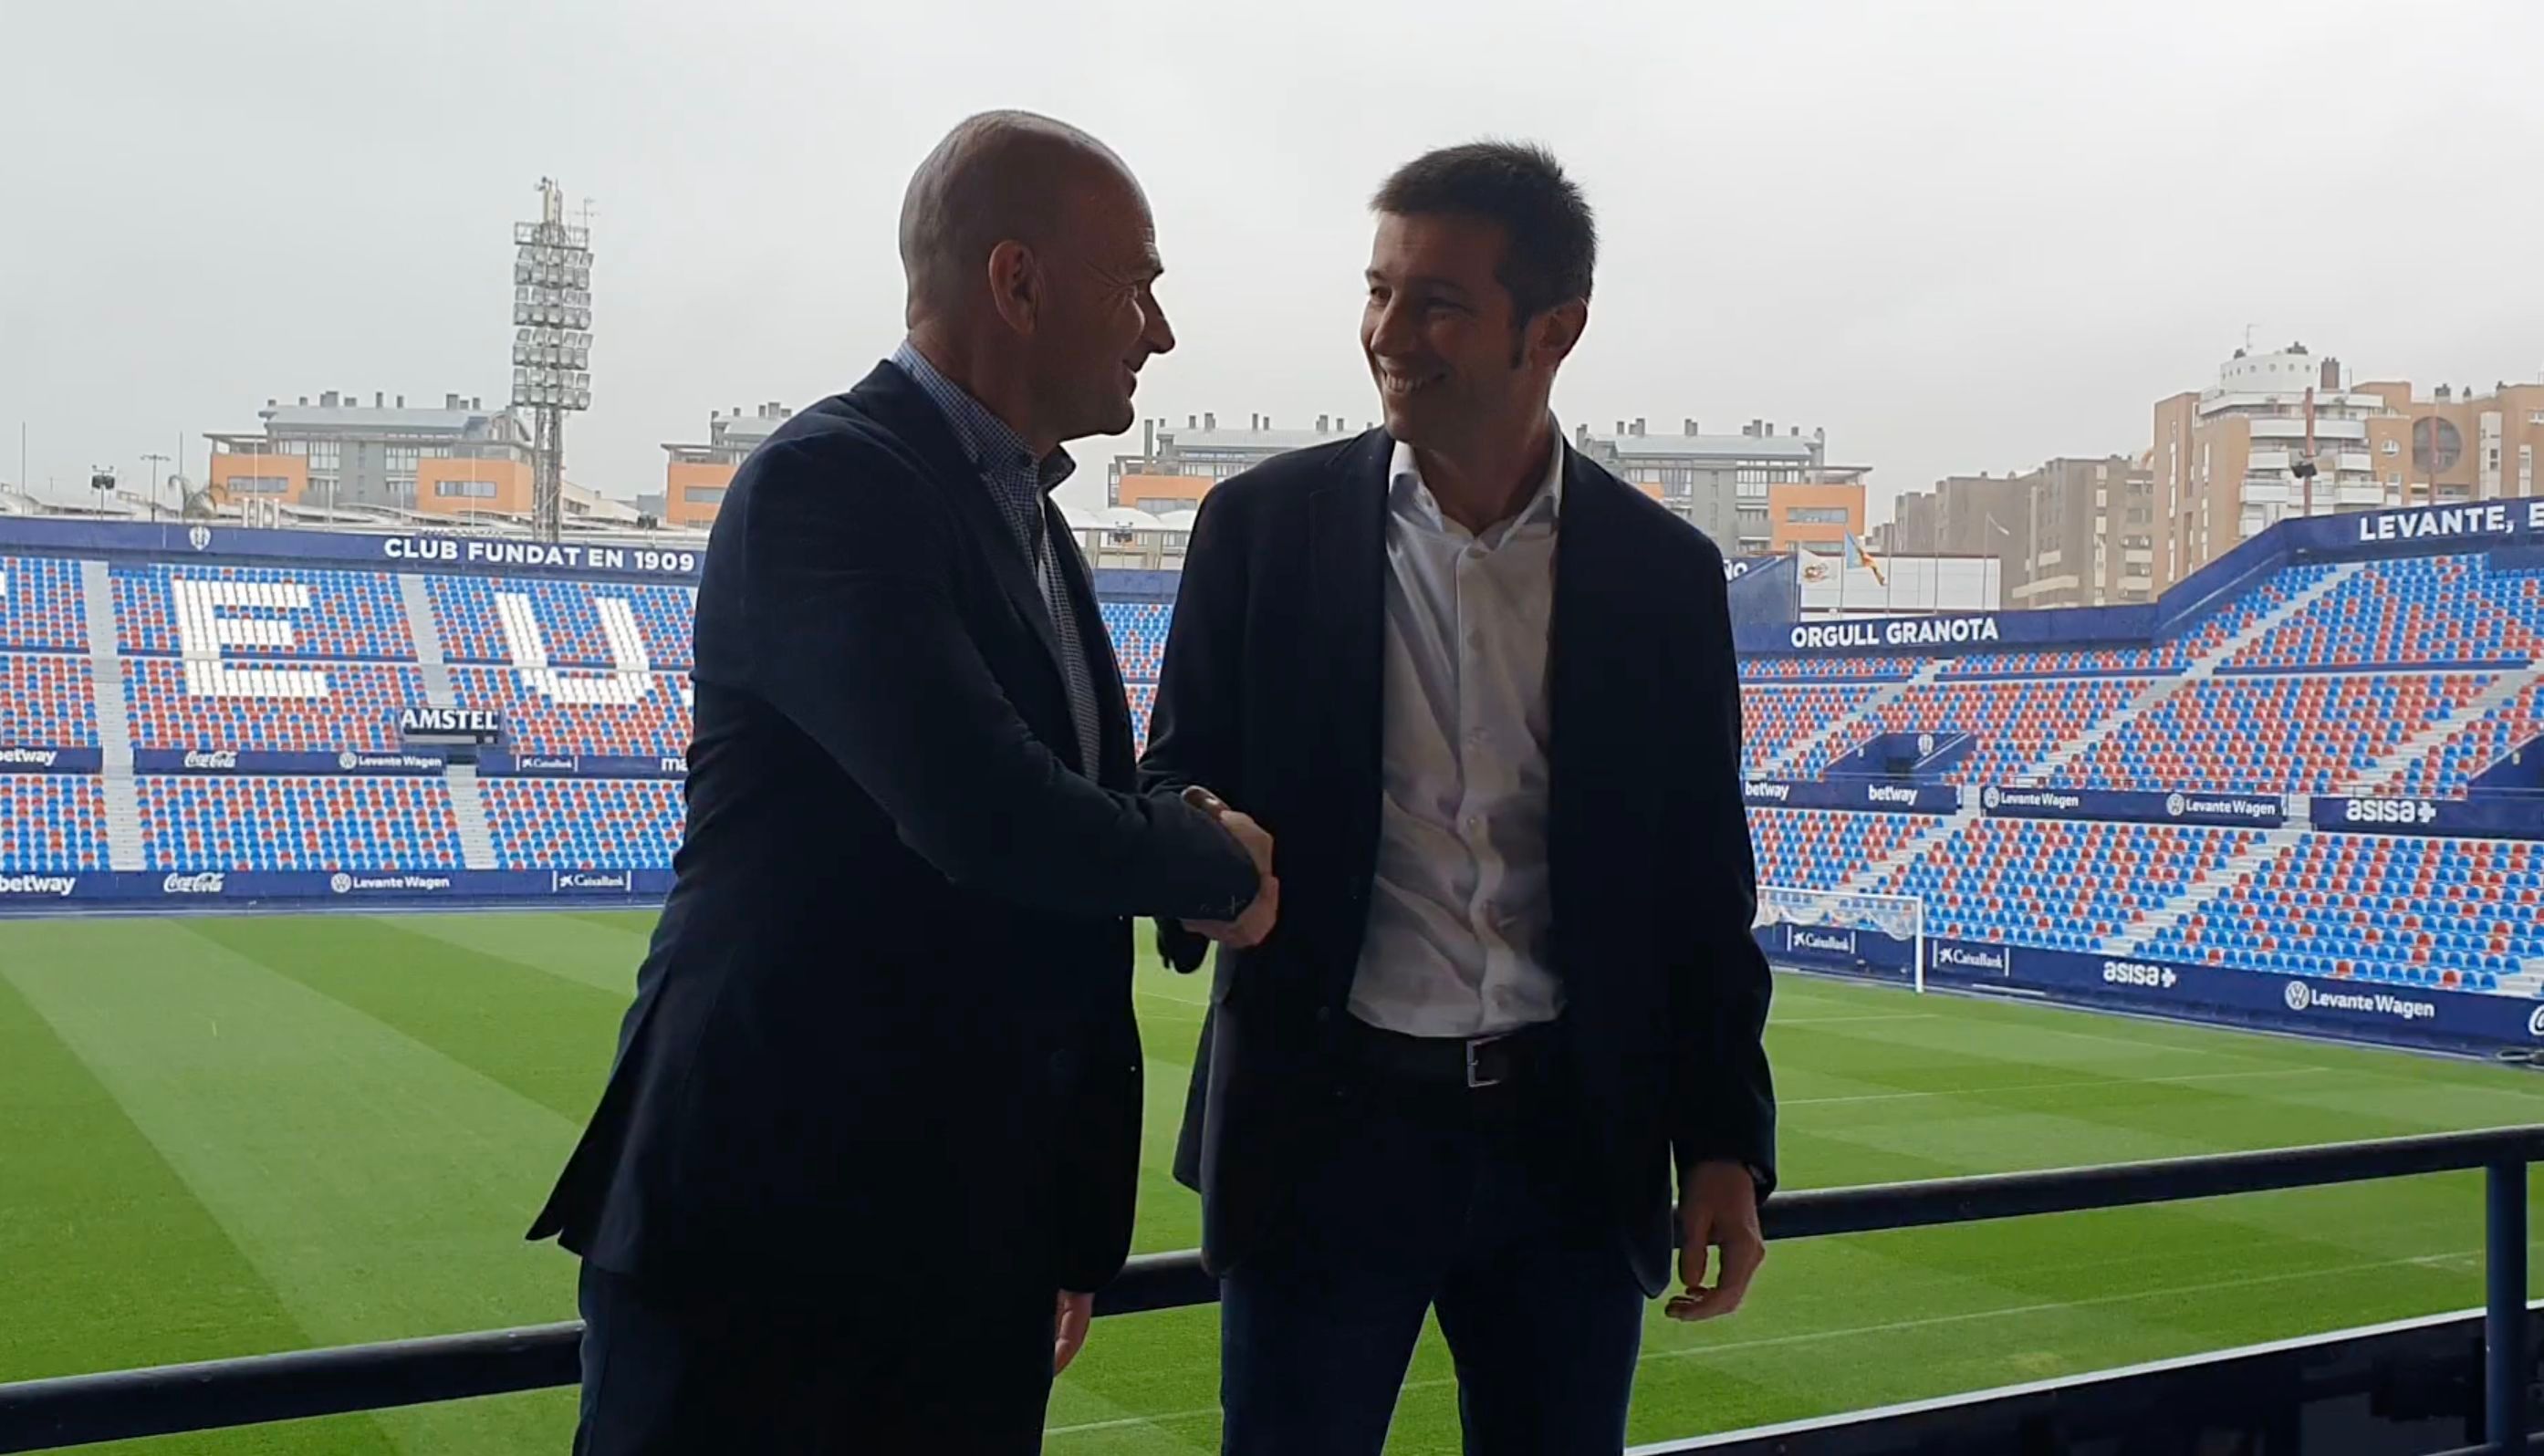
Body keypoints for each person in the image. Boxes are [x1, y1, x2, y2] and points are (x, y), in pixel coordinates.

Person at [529, 110, 1277, 1454]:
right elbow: (985, 811)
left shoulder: (1025, 516)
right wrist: (1214, 861)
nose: (1159, 332)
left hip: (963, 1246)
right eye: (1136, 284)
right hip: (767, 1243)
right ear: (1017, 283)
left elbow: (1046, 855)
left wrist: (1053, 1229)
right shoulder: (828, 482)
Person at [1142, 140, 1776, 1454]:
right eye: (1378, 292)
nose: (1386, 334)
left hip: (1570, 1151)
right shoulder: (1257, 530)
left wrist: (1725, 1143)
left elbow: (1701, 884)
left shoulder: (1663, 575)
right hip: (1324, 1139)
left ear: (1555, 331)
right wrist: (1200, 850)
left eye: (1435, 304)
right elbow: (1171, 777)